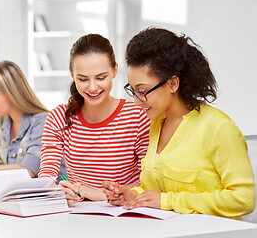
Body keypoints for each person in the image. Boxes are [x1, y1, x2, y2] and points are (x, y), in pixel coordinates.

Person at [103, 27, 255, 219]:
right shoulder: (156, 124)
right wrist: (133, 194)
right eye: (132, 90)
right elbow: (156, 189)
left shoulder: (219, 128)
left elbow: (243, 199)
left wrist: (168, 202)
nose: (136, 101)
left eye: (142, 91)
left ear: (173, 84)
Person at [38, 34, 150, 205]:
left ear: (114, 71)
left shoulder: (138, 116)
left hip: (125, 215)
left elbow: (148, 180)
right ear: (72, 74)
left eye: (100, 78)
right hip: (77, 215)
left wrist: (98, 193)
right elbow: (47, 176)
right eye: (82, 79)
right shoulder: (58, 118)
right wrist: (57, 190)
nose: (92, 87)